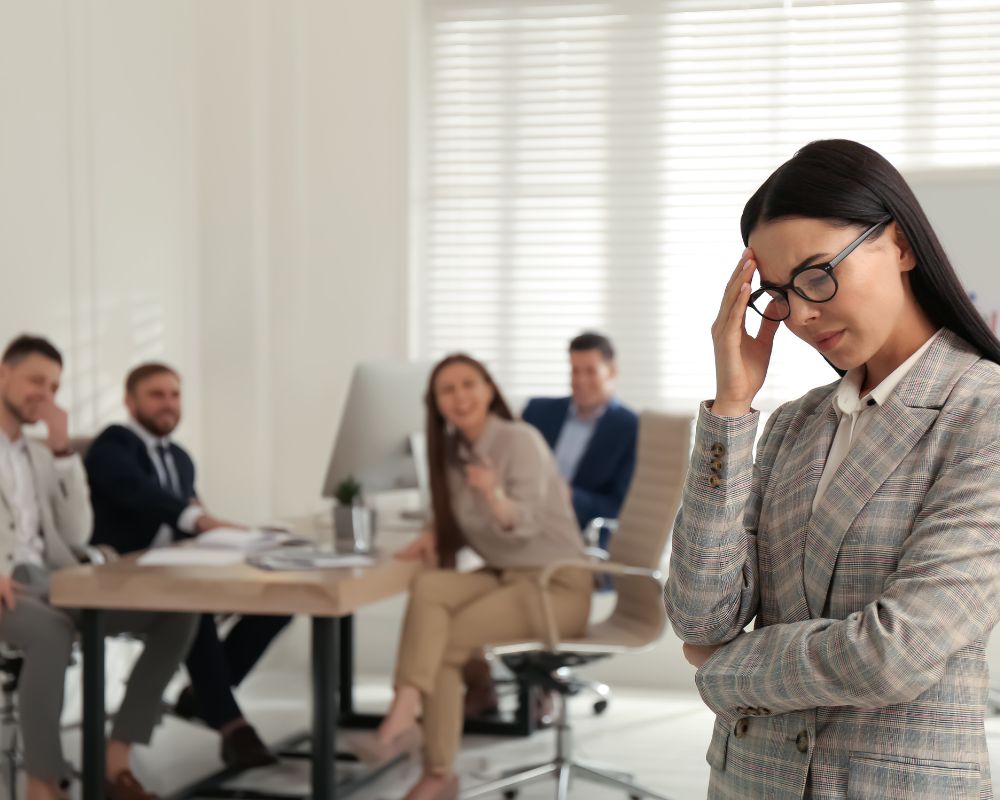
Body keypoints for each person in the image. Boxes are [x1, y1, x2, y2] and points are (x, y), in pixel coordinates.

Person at [663, 139, 1000, 799]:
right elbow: (701, 618)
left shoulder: (983, 411)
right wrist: (732, 409)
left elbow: (896, 653)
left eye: (819, 274)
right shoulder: (794, 423)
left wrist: (725, 673)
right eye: (781, 293)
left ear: (899, 245)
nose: (803, 314)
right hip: (746, 782)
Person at [371, 354, 593, 800]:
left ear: (489, 389)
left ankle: (436, 768)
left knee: (449, 641)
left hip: (558, 585)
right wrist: (435, 532)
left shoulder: (519, 440)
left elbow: (526, 524)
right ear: (436, 405)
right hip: (507, 576)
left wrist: (492, 492)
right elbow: (457, 519)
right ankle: (408, 703)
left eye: (468, 384)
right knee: (430, 587)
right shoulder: (451, 457)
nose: (460, 397)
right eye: (447, 391)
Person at [0, 336, 197, 800]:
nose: (44, 395)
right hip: (8, 589)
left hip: (52, 581)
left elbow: (77, 533)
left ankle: (116, 760)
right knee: (50, 631)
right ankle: (43, 783)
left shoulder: (42, 455)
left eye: (53, 386)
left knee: (178, 613)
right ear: (3, 374)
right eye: (35, 381)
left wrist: (65, 452)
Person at [85, 362, 291, 770]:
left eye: (174, 395)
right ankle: (232, 726)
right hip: (126, 575)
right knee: (191, 605)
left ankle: (205, 696)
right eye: (156, 395)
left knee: (280, 597)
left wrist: (228, 538)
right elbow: (143, 495)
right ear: (130, 401)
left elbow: (191, 512)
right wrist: (199, 521)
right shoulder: (113, 445)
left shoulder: (180, 458)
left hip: (181, 567)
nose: (168, 404)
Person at [522, 331, 638, 546]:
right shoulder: (537, 412)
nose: (580, 380)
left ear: (612, 372)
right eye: (575, 371)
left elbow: (620, 509)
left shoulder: (632, 428)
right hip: (524, 520)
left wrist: (569, 496)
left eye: (590, 371)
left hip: (577, 536)